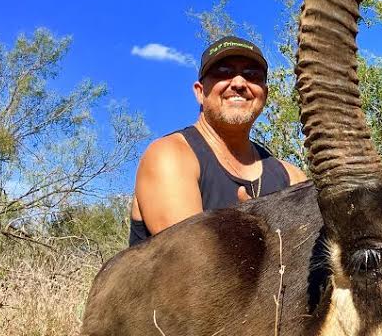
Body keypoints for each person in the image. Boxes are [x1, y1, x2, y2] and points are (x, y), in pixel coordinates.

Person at [128, 36, 306, 246]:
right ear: (200, 92)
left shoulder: (293, 178)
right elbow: (192, 256)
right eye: (223, 72)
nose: (239, 83)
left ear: (264, 94)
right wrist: (259, 233)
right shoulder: (169, 156)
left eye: (252, 75)